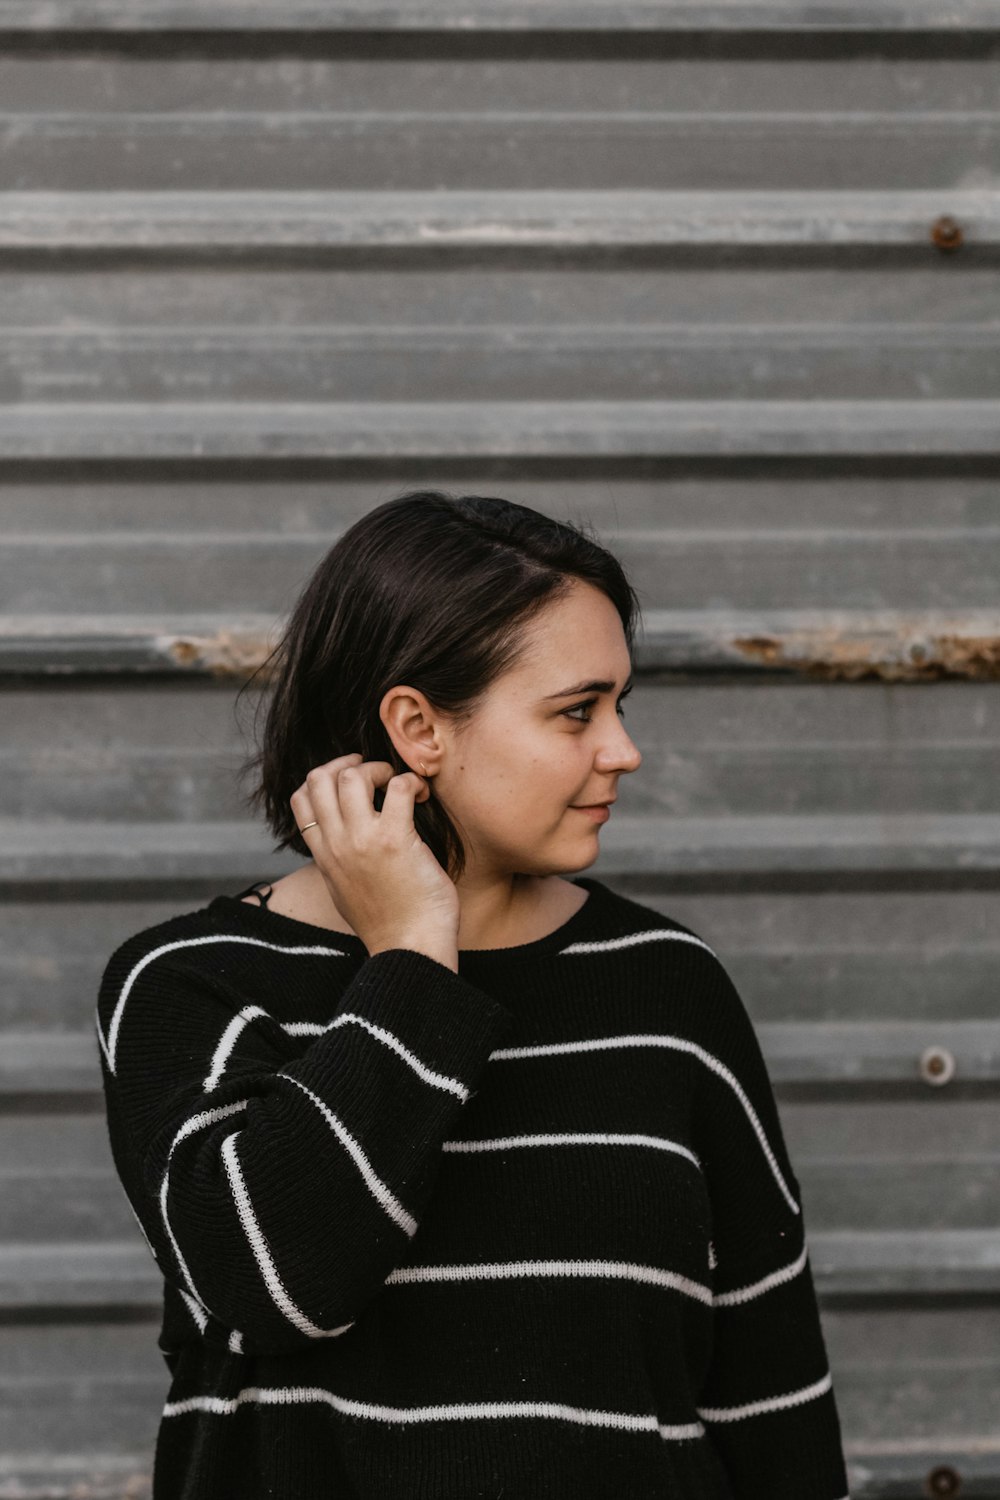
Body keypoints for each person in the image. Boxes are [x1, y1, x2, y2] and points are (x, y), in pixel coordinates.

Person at [95, 490, 850, 1499]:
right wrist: (410, 957)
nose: (621, 750)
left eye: (619, 707)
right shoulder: (192, 983)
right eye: (577, 711)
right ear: (419, 729)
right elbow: (276, 1286)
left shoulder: (668, 985)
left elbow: (769, 1388)